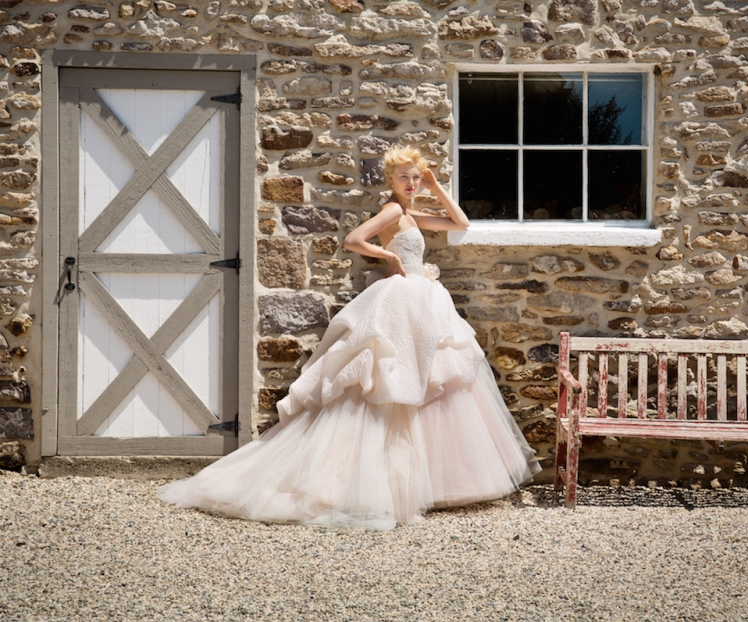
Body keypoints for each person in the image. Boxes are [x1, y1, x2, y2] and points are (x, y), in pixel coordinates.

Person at [158, 146, 541, 530]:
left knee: (421, 378)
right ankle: (383, 483)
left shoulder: (409, 213)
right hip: (402, 298)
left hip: (421, 299)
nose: (410, 184)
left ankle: (421, 480)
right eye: (404, 177)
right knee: (393, 379)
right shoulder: (393, 211)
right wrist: (387, 257)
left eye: (414, 177)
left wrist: (435, 185)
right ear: (390, 179)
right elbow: (354, 240)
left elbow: (460, 224)